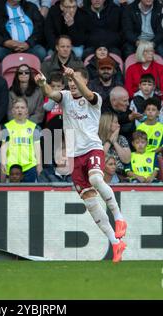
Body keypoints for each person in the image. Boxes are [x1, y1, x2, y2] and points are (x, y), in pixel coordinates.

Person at [35, 65, 127, 263]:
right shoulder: (66, 97)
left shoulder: (94, 98)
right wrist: (43, 84)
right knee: (90, 202)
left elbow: (86, 92)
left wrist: (75, 78)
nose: (71, 84)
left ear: (85, 81)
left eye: (75, 80)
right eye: (69, 81)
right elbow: (51, 93)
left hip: (92, 148)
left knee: (95, 177)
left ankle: (119, 218)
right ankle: (116, 243)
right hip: (74, 156)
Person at [0, 97, 42, 182]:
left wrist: (39, 164)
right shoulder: (7, 127)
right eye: (17, 107)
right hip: (12, 168)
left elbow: (37, 148)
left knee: (30, 194)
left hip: (29, 167)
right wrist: (3, 163)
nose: (20, 110)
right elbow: (3, 148)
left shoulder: (34, 127)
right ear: (12, 111)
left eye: (22, 108)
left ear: (27, 110)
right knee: (12, 194)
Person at [98, 111, 132, 177]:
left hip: (119, 174)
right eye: (116, 122)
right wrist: (110, 140)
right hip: (101, 173)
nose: (119, 125)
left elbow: (127, 160)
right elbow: (100, 157)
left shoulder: (121, 139)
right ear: (107, 123)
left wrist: (115, 142)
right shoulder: (97, 139)